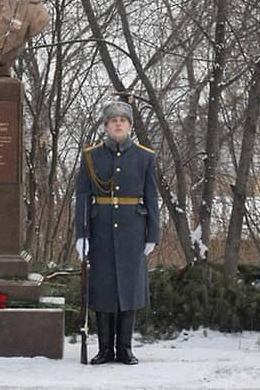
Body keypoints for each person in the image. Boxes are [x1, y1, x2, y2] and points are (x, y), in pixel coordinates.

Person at [74, 100, 159, 365]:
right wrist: (82, 234)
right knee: (103, 290)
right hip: (100, 232)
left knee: (129, 290)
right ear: (106, 126)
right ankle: (104, 350)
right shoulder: (91, 156)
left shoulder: (145, 157)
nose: (119, 124)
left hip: (133, 231)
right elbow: (83, 197)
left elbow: (152, 198)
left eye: (123, 120)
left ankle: (125, 349)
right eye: (114, 120)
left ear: (131, 126)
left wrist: (152, 235)